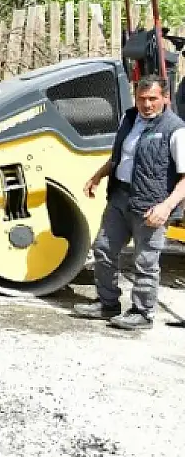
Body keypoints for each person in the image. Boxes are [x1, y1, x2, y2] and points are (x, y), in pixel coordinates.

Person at [74, 75, 185, 330]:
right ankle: (107, 303)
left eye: (153, 99)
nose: (147, 105)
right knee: (103, 248)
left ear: (165, 98)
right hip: (120, 197)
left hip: (151, 205)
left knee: (145, 260)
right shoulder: (129, 118)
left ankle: (143, 313)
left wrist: (166, 207)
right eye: (142, 99)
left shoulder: (176, 130)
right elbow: (119, 157)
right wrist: (98, 176)